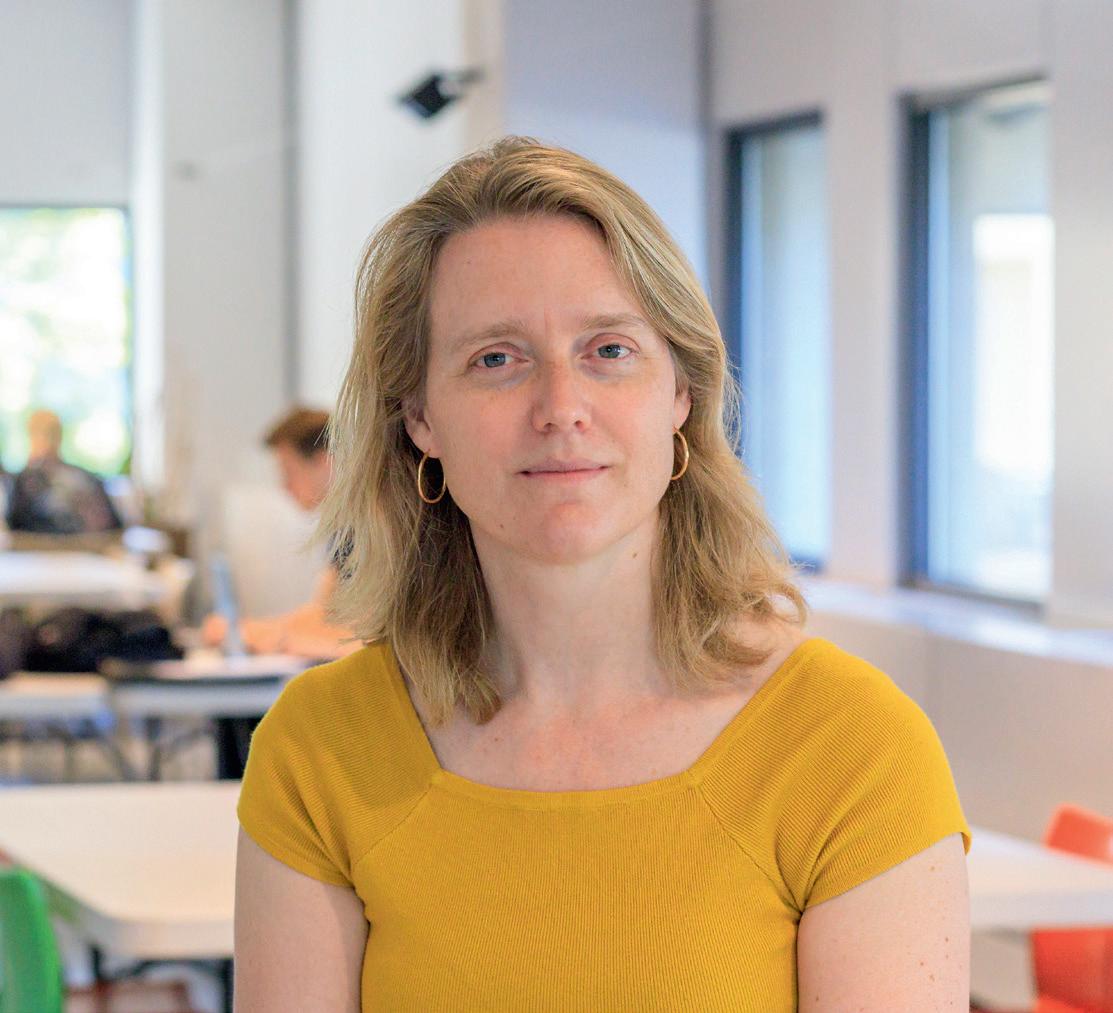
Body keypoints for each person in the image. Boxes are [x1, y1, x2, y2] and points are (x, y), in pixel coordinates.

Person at [234, 138, 971, 1010]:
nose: (561, 408)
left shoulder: (850, 750)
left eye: (609, 350)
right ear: (420, 417)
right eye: (495, 358)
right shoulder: (321, 751)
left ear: (680, 394)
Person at [202, 406, 357, 660]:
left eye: (288, 472)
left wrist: (271, 637)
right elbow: (323, 612)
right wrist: (245, 630)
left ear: (323, 461)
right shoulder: (343, 529)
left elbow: (362, 634)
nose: (284, 487)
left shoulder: (371, 526)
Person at [5, 409, 122, 534]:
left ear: (60, 435)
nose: (46, 439)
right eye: (38, 432)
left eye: (51, 432)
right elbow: (15, 531)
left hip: (85, 544)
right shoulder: (21, 483)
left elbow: (113, 529)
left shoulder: (85, 479)